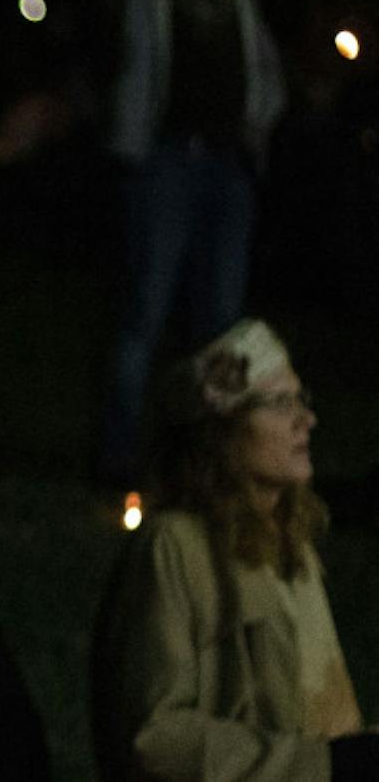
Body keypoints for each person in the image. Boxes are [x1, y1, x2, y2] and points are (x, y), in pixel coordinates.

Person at [92, 318, 378, 781]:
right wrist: (324, 765)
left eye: (301, 399)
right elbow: (153, 738)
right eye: (280, 404)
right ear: (223, 431)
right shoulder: (173, 549)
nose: (306, 419)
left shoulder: (290, 541)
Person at [98, 0, 287, 486]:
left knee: (218, 328)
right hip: (165, 158)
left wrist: (260, 120)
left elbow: (256, 49)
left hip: (227, 164)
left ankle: (204, 463)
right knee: (144, 314)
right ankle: (117, 455)